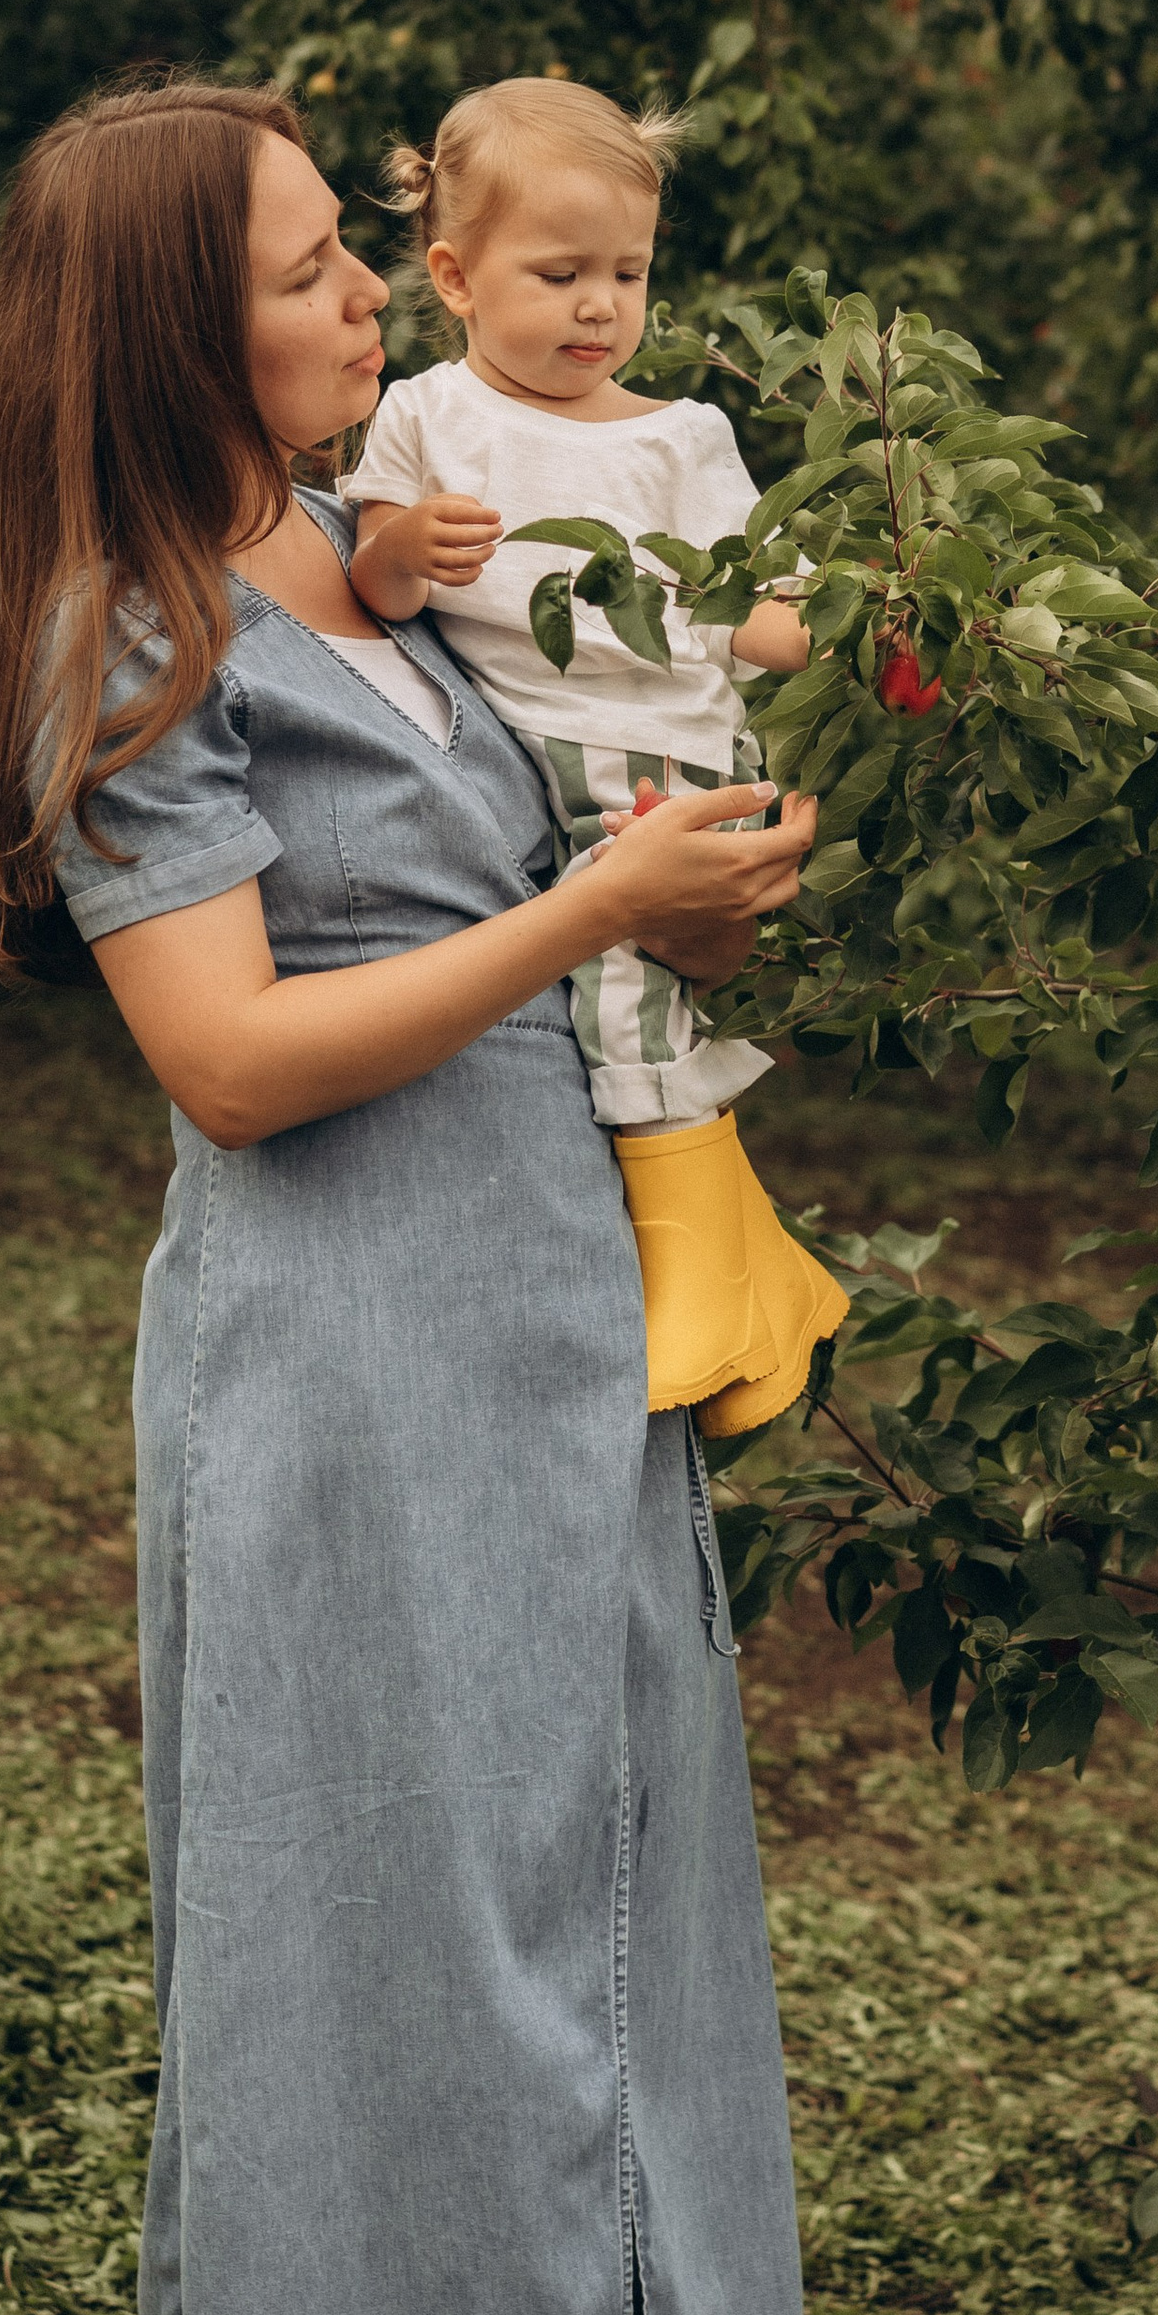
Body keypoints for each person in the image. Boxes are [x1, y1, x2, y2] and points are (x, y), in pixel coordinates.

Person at [0, 73, 812, 2315]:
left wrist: (703, 819)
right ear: (174, 325)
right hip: (336, 1362)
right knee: (339, 1941)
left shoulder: (375, 554)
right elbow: (224, 1059)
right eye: (317, 265)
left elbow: (606, 739)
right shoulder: (128, 631)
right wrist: (590, 915)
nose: (367, 296)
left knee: (615, 1909)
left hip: (555, 1332)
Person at [345, 76, 849, 1431]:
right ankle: (750, 1266)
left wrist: (871, 631)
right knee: (620, 998)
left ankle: (700, 1271)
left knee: (626, 996)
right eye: (559, 274)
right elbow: (376, 581)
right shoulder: (425, 416)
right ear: (455, 277)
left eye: (628, 273)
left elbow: (755, 612)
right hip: (536, 755)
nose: (599, 308)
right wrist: (408, 545)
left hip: (660, 755)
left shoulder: (683, 437)